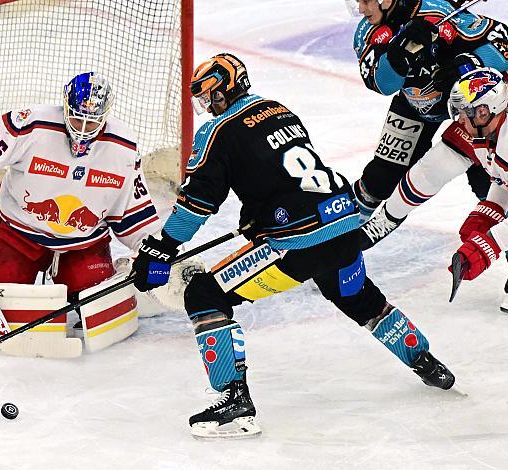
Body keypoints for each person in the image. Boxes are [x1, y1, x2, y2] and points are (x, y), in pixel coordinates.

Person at [130, 53, 455, 440]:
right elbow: (282, 175)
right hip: (344, 224)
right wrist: (259, 212)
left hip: (297, 242)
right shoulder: (277, 110)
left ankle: (234, 402)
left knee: (203, 292)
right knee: (357, 296)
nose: (206, 105)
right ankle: (424, 359)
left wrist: (163, 248)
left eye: (208, 95)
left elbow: (198, 202)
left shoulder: (217, 132)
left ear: (222, 89)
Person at [349, 0, 508, 310]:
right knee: (379, 179)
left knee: (489, 183)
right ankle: (336, 241)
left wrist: (466, 63)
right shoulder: (368, 30)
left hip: (465, 109)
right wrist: (400, 51)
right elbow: (382, 83)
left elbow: (504, 49)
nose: (360, 9)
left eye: (365, 0)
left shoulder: (438, 10)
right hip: (414, 108)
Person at [0, 71, 160, 304]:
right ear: (65, 106)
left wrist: (155, 250)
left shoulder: (123, 148)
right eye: (78, 118)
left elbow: (134, 211)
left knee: (95, 299)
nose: (84, 129)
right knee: (0, 298)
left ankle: (80, 279)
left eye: (93, 122)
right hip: (15, 234)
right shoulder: (31, 123)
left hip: (82, 244)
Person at [441, 68, 508, 326]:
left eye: (463, 112)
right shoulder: (486, 136)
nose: (459, 119)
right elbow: (503, 181)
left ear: (483, 111)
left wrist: (486, 246)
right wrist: (487, 213)